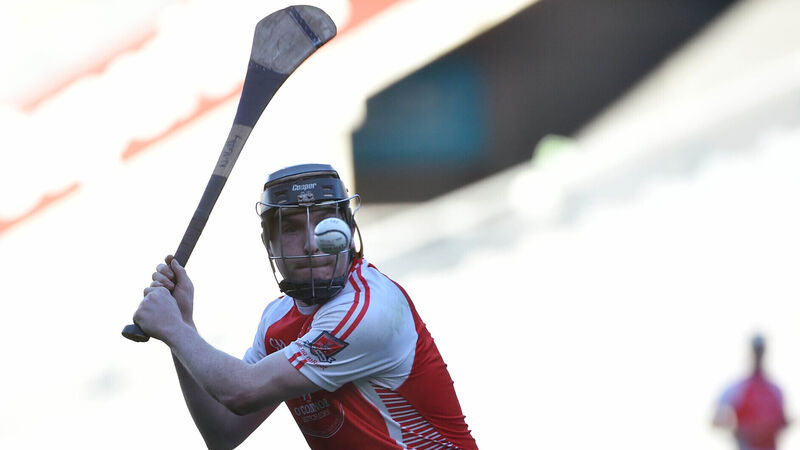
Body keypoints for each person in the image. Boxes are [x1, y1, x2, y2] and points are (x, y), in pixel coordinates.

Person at [133, 163, 478, 449]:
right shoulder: (277, 321)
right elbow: (222, 432)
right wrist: (183, 324)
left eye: (326, 222)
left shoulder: (369, 311)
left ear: (349, 229)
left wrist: (174, 330)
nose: (312, 244)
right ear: (269, 243)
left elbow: (241, 392)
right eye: (292, 228)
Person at [712, 333, 789, 450]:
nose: (758, 355)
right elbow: (715, 421)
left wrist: (768, 428)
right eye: (755, 351)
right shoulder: (737, 388)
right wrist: (742, 430)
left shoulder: (775, 389)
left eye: (760, 351)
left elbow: (783, 421)